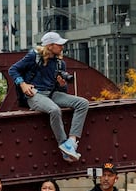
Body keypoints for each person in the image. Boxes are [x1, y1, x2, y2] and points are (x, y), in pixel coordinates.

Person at [8, 31, 88, 162]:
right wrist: (22, 84)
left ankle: (71, 141)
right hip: (35, 95)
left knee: (83, 103)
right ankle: (63, 143)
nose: (62, 47)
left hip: (51, 94)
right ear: (50, 46)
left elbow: (62, 89)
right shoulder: (34, 56)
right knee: (54, 110)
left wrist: (62, 85)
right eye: (59, 44)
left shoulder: (60, 63)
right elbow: (13, 70)